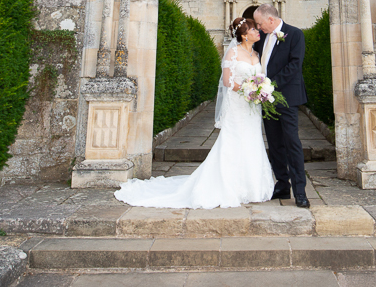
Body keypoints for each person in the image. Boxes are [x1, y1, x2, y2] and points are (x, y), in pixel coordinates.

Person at [114, 17, 274, 208]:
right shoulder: (232, 52)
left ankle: (253, 186)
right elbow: (227, 81)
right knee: (234, 140)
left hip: (252, 107)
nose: (258, 31)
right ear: (243, 34)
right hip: (238, 105)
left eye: (257, 29)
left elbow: (259, 77)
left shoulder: (256, 54)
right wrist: (248, 90)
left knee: (253, 140)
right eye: (254, 29)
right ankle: (229, 186)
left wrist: (259, 90)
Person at [253, 3, 309, 208]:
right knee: (275, 144)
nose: (259, 28)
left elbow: (295, 65)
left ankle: (300, 191)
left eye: (260, 23)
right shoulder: (262, 38)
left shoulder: (294, 34)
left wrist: (270, 85)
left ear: (270, 19)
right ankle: (282, 185)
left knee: (292, 143)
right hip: (267, 100)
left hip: (287, 98)